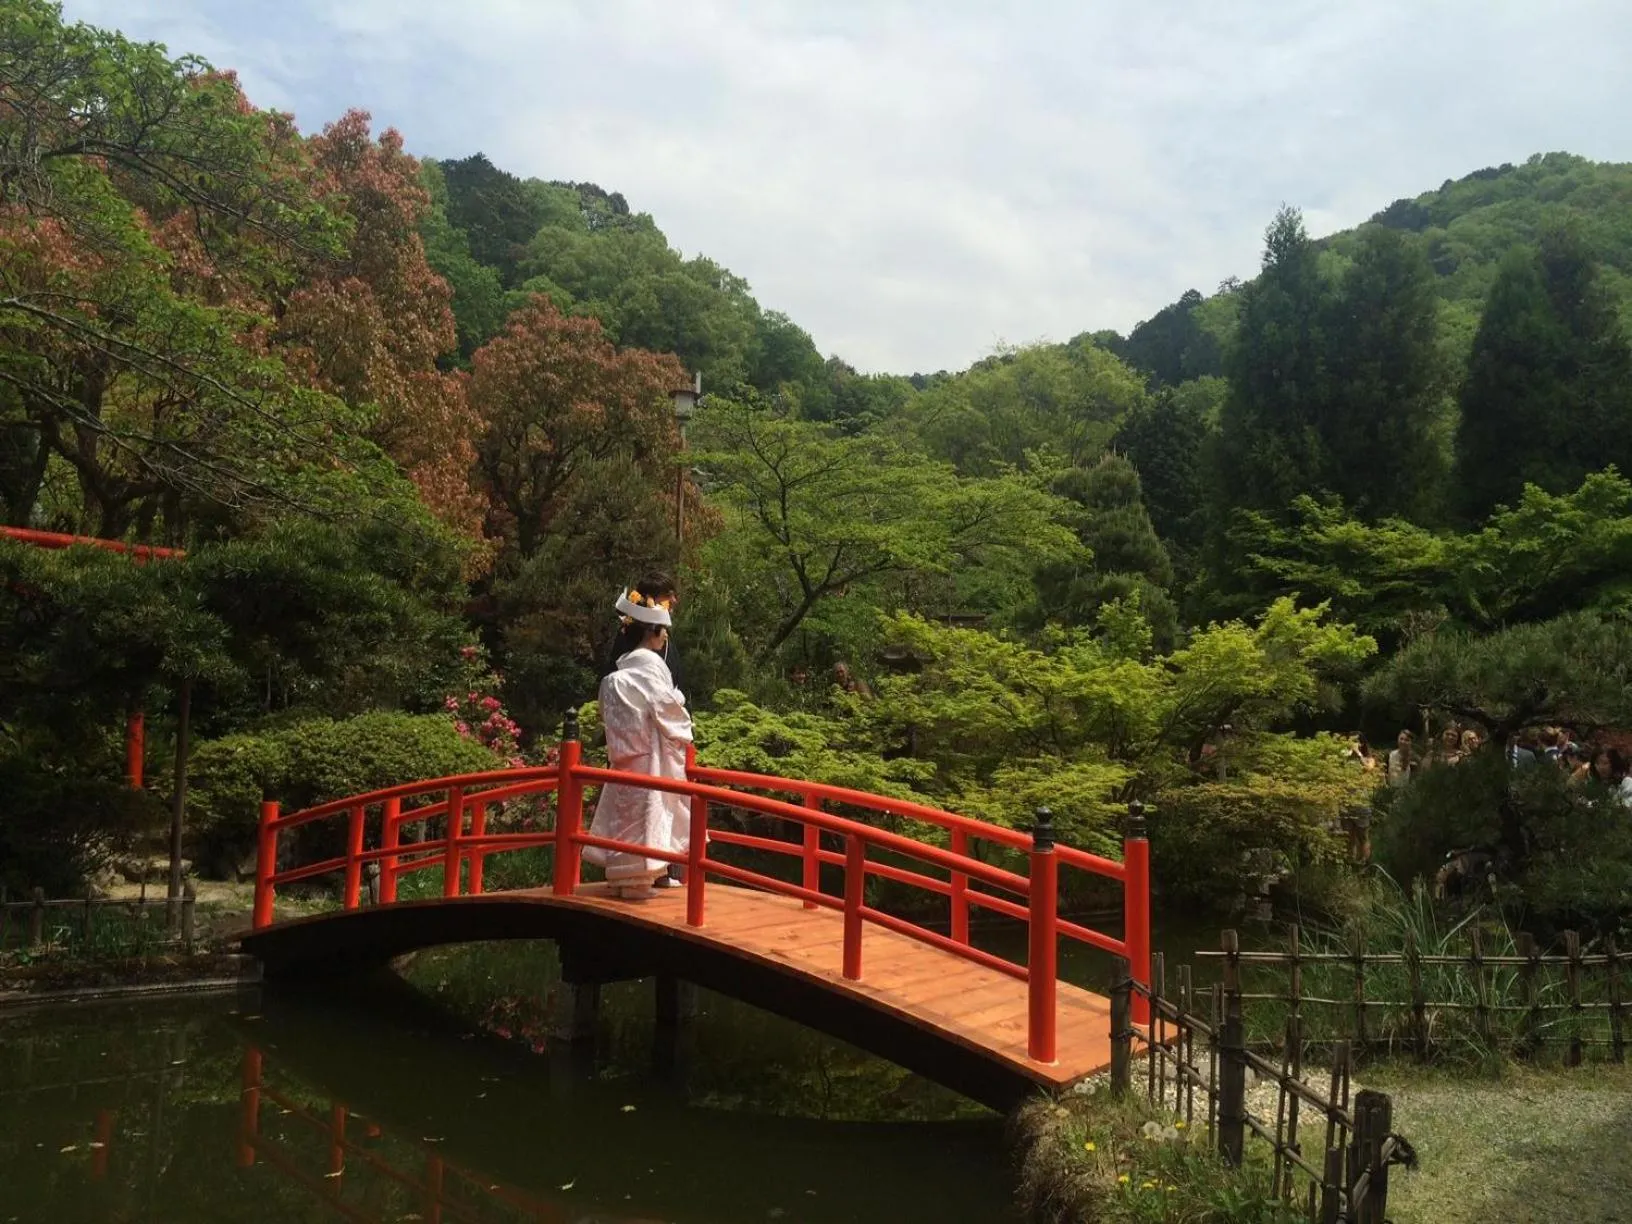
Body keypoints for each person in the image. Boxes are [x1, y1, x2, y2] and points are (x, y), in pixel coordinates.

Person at [583, 585, 693, 899]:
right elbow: (672, 714)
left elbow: (606, 714)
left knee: (625, 818)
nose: (665, 638)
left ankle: (621, 880)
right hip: (649, 760)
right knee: (647, 818)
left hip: (623, 758)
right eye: (663, 632)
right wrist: (681, 703)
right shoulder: (649, 673)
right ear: (652, 633)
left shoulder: (614, 677)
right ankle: (638, 883)